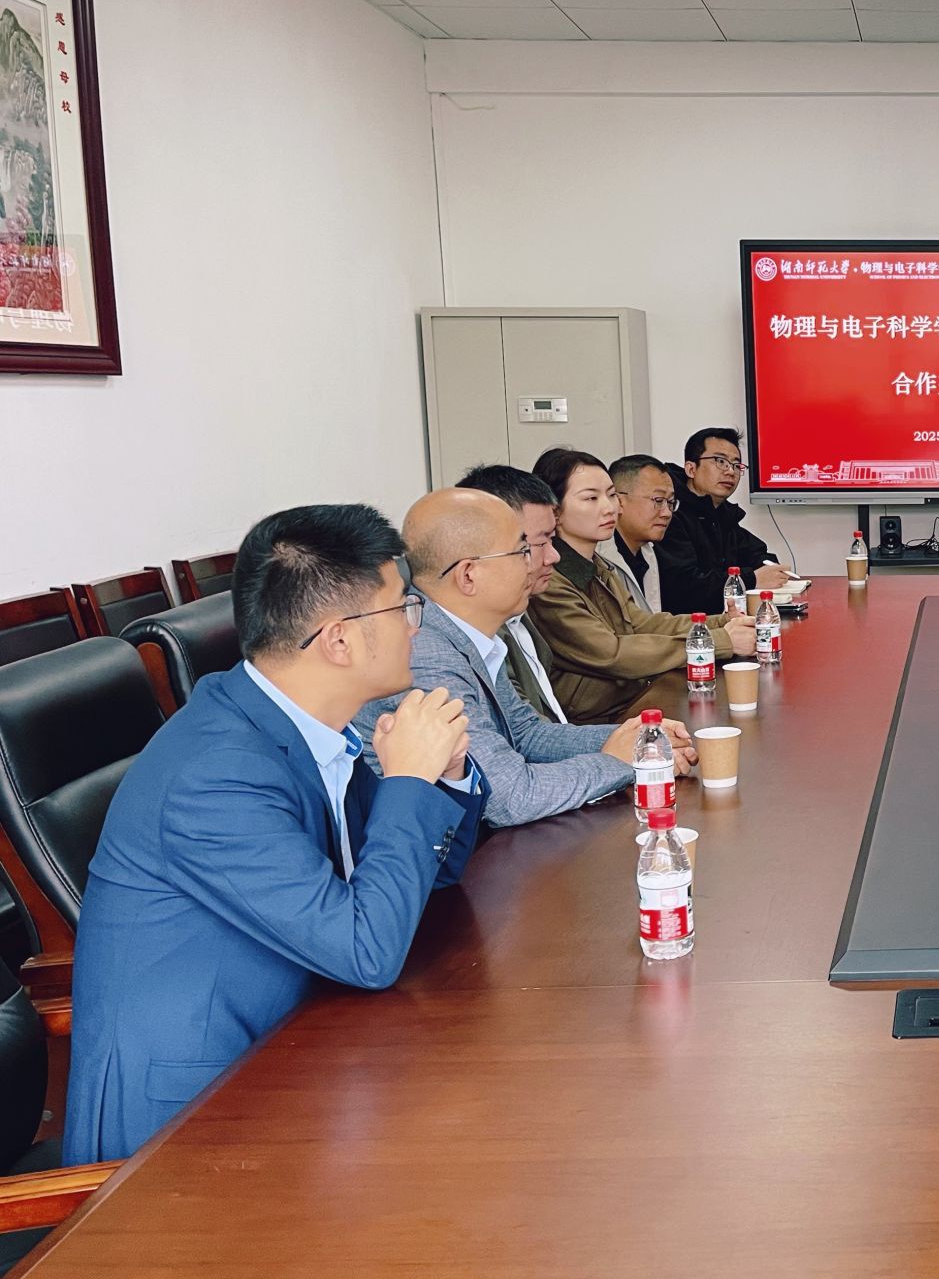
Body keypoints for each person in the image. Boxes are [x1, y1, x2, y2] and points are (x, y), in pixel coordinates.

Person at [65, 505, 487, 1163]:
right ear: (339, 641)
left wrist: (445, 775)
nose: (416, 624)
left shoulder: (294, 725)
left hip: (297, 1047)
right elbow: (367, 952)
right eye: (403, 607)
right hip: (184, 1130)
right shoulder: (216, 776)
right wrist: (407, 781)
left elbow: (427, 876)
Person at [357, 488, 697, 829]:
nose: (546, 560)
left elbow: (527, 735)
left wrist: (638, 738)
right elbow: (509, 796)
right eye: (522, 551)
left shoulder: (466, 632)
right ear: (468, 575)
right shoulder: (425, 654)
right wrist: (620, 761)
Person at [527, 448, 752, 725]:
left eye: (611, 495)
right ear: (555, 511)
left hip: (632, 698)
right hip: (593, 722)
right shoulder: (549, 581)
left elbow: (641, 623)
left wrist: (720, 623)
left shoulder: (597, 564)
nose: (610, 508)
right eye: (591, 498)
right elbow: (611, 653)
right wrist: (717, 641)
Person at [455, 463, 571, 724]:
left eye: (552, 539)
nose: (553, 556)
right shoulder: (474, 636)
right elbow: (525, 735)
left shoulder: (518, 611)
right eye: (540, 542)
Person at [657, 427, 789, 615]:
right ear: (691, 469)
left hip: (724, 619)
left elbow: (760, 557)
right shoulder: (670, 513)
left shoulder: (723, 514)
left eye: (736, 465)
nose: (730, 471)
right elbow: (685, 586)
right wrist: (751, 579)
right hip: (688, 625)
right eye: (720, 461)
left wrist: (767, 571)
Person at [600, 453, 674, 612]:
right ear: (618, 502)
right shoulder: (598, 558)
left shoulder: (649, 553)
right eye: (658, 500)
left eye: (671, 502)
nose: (667, 513)